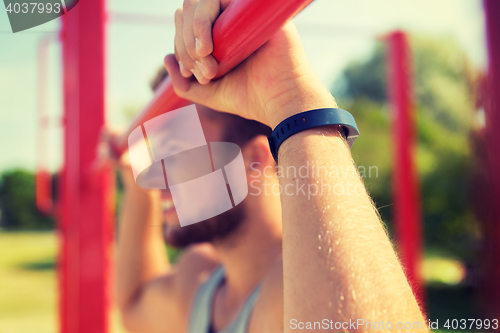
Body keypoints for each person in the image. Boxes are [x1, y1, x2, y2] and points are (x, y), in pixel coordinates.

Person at [112, 1, 428, 332]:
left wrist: (289, 96)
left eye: (175, 148)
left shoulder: (290, 291)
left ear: (254, 160)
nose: (155, 176)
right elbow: (134, 307)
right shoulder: (201, 284)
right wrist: (133, 182)